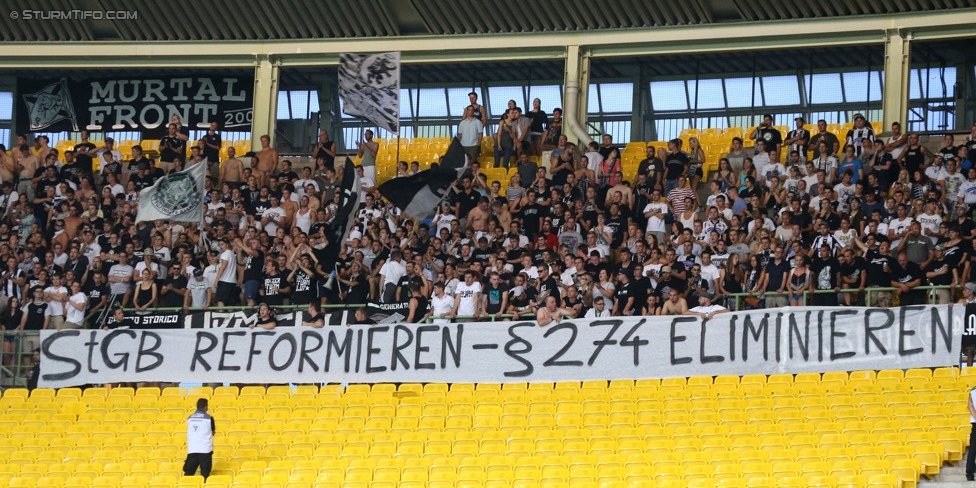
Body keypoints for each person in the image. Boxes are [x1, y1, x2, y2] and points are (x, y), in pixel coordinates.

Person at [183, 398, 215, 480]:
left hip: (192, 449)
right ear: (206, 407)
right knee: (205, 474)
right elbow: (213, 432)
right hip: (205, 450)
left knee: (188, 474)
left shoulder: (189, 418)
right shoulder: (209, 418)